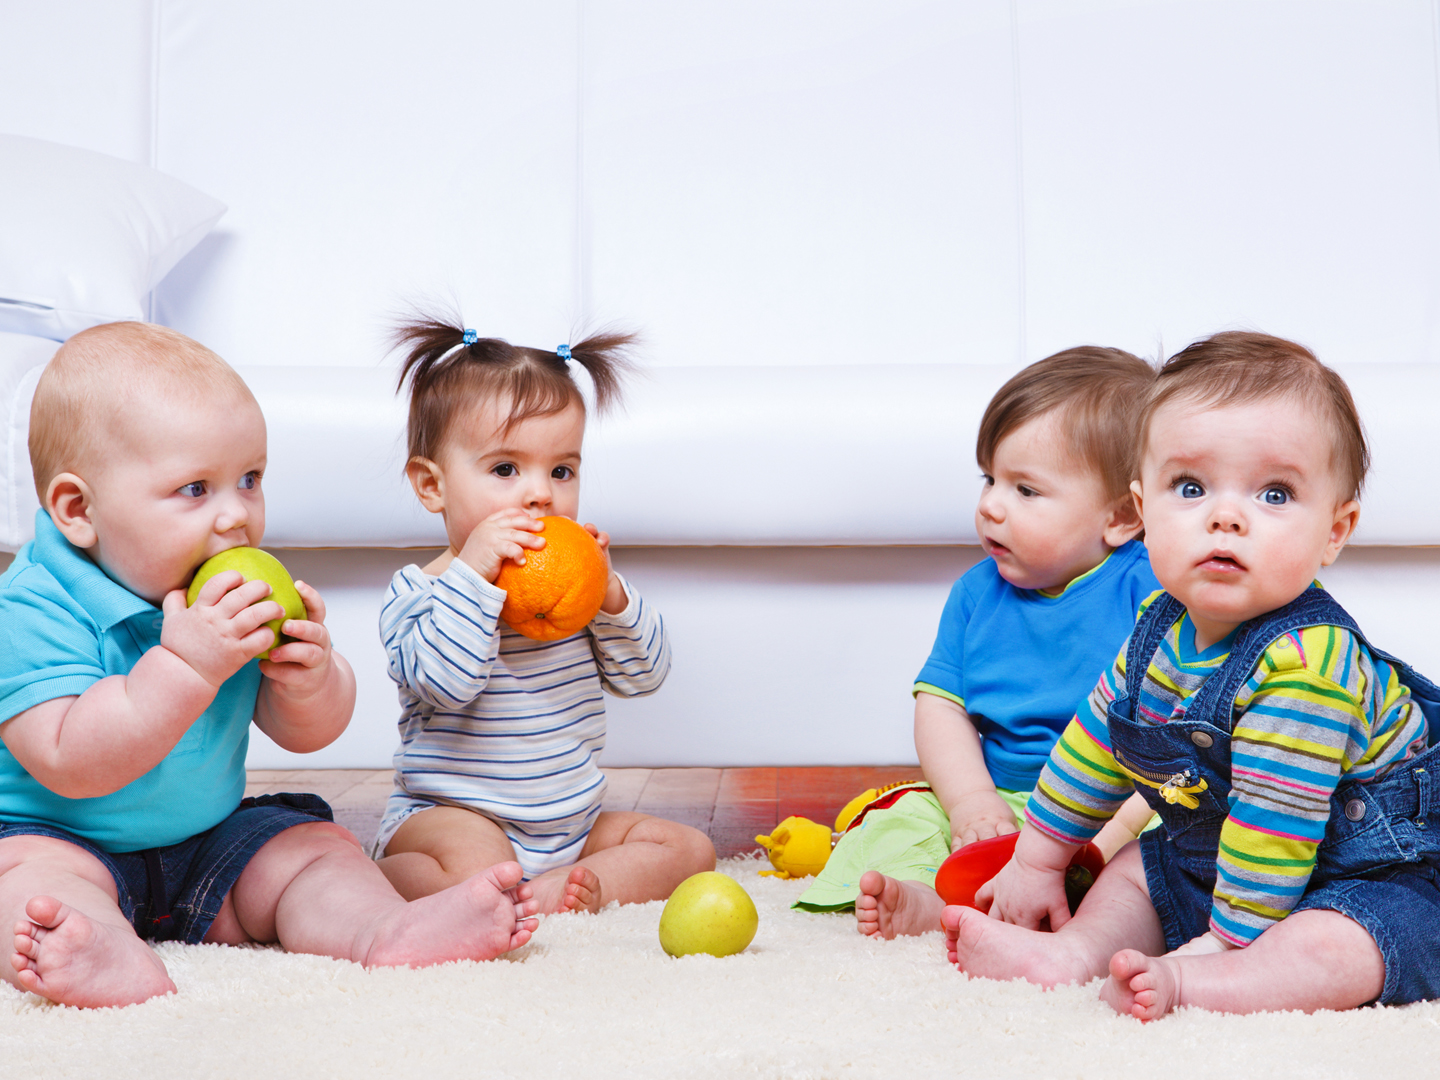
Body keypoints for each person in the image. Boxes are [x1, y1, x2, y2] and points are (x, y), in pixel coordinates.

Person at [0, 322, 539, 1009]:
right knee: (25, 887)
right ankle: (96, 948)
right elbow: (72, 761)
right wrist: (186, 666)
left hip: (208, 841)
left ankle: (383, 928)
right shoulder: (31, 607)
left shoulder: (226, 597)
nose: (236, 519)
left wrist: (311, 678)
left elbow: (308, 734)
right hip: (60, 839)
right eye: (196, 489)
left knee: (312, 849)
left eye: (249, 480)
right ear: (78, 509)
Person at [946, 331, 1440, 1019]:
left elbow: (1277, 821)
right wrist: (1038, 859)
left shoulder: (1307, 664)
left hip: (1376, 872)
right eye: (1190, 487)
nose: (1225, 516)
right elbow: (1094, 745)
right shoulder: (1157, 626)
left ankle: (1213, 983)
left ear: (1334, 530)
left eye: (1274, 493)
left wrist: (1224, 944)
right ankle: (1070, 955)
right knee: (1134, 872)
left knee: (1337, 947)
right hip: (1222, 857)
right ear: (1143, 514)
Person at [795, 347, 1160, 935]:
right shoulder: (976, 593)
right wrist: (970, 803)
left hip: (1114, 810)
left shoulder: (1154, 592)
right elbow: (941, 704)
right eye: (990, 479)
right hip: (1002, 804)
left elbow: (1182, 739)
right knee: (905, 817)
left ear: (1120, 516)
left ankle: (1096, 909)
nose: (990, 505)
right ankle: (926, 899)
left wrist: (1110, 834)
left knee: (1178, 834)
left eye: (1026, 491)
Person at [371, 316, 714, 916]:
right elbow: (446, 684)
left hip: (571, 826)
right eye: (506, 470)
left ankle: (571, 889)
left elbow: (646, 675)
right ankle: (391, 879)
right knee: (474, 862)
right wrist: (475, 574)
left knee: (688, 847)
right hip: (456, 819)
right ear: (433, 486)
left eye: (562, 470)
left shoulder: (574, 587)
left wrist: (608, 596)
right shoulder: (419, 593)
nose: (541, 495)